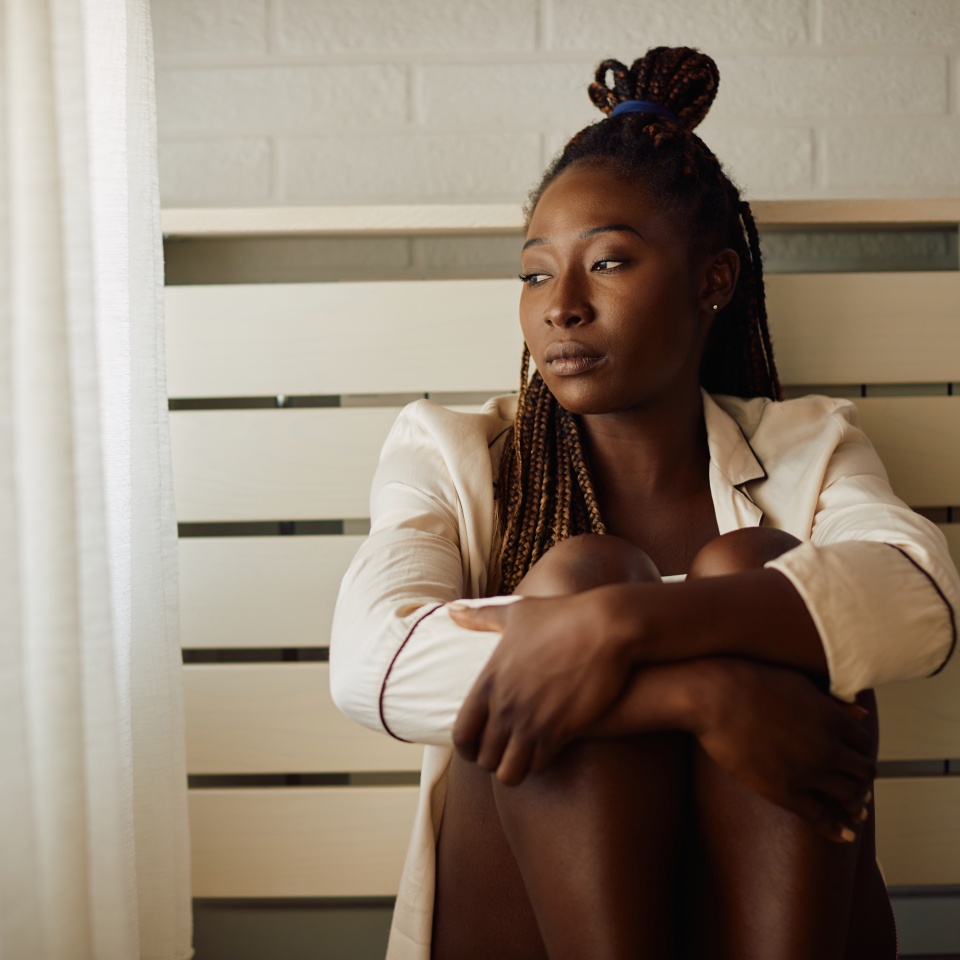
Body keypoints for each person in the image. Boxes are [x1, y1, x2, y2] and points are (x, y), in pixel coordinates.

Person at [330, 46, 958, 960]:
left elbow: (921, 597)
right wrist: (704, 690)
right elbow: (368, 665)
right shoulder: (448, 449)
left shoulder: (809, 447)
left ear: (714, 282)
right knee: (579, 574)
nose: (561, 307)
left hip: (759, 923)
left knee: (747, 565)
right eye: (536, 274)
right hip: (529, 926)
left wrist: (621, 629)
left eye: (611, 263)